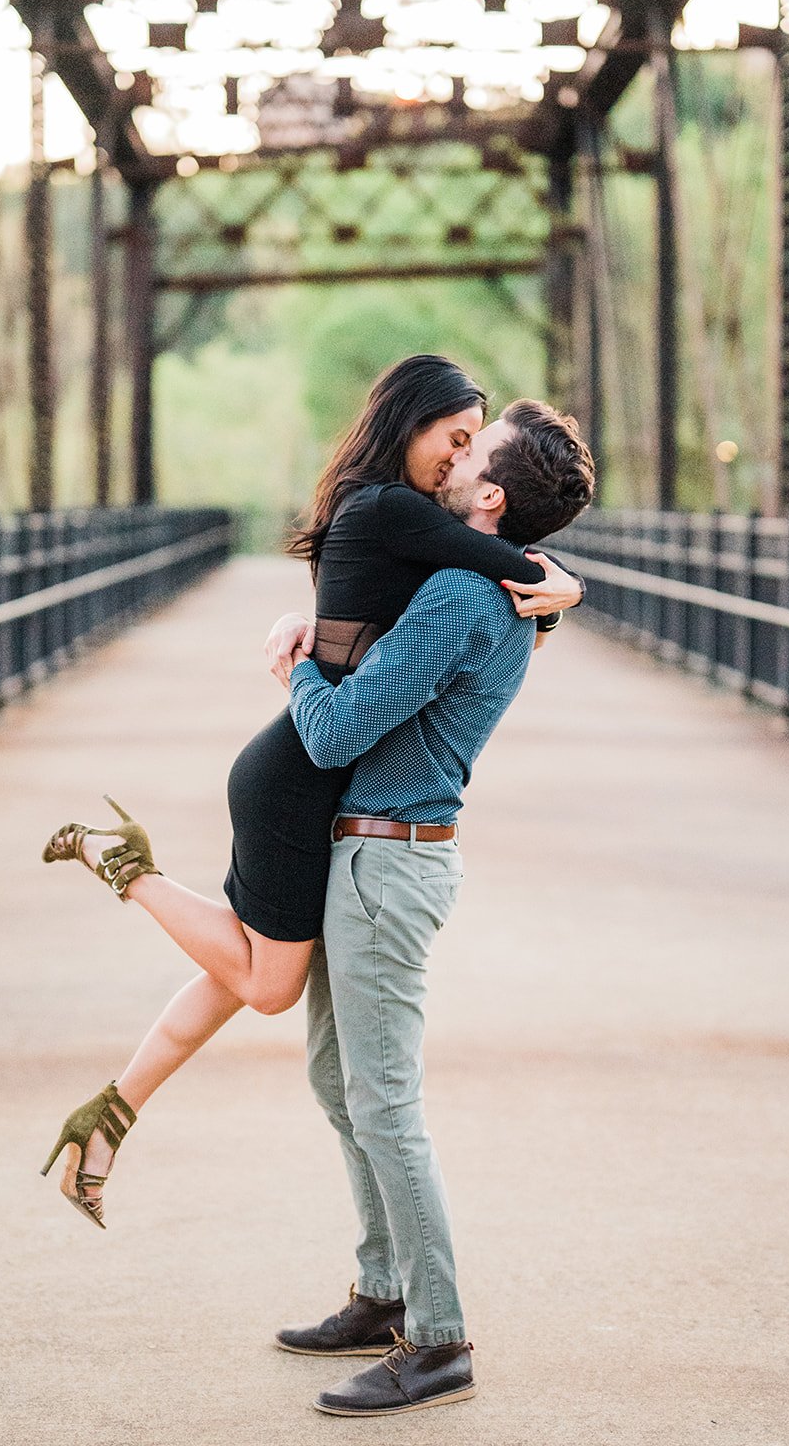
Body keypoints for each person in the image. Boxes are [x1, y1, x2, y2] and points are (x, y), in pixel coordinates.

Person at [40, 356, 590, 1227]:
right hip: (298, 778)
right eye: (451, 439)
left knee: (233, 975)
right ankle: (128, 868)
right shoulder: (391, 509)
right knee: (267, 987)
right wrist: (561, 586)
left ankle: (106, 1117)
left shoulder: (385, 512)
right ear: (410, 423)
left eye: (469, 447)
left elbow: (480, 573)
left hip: (295, 774)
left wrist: (548, 589)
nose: (457, 459)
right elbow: (496, 561)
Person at [274, 401, 596, 1416]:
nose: (452, 459)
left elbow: (335, 733)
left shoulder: (462, 593)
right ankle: (380, 1289)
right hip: (372, 854)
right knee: (340, 1080)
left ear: (488, 495)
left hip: (388, 858)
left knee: (385, 1102)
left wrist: (300, 672)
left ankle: (439, 1335)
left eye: (471, 450)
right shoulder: (481, 583)